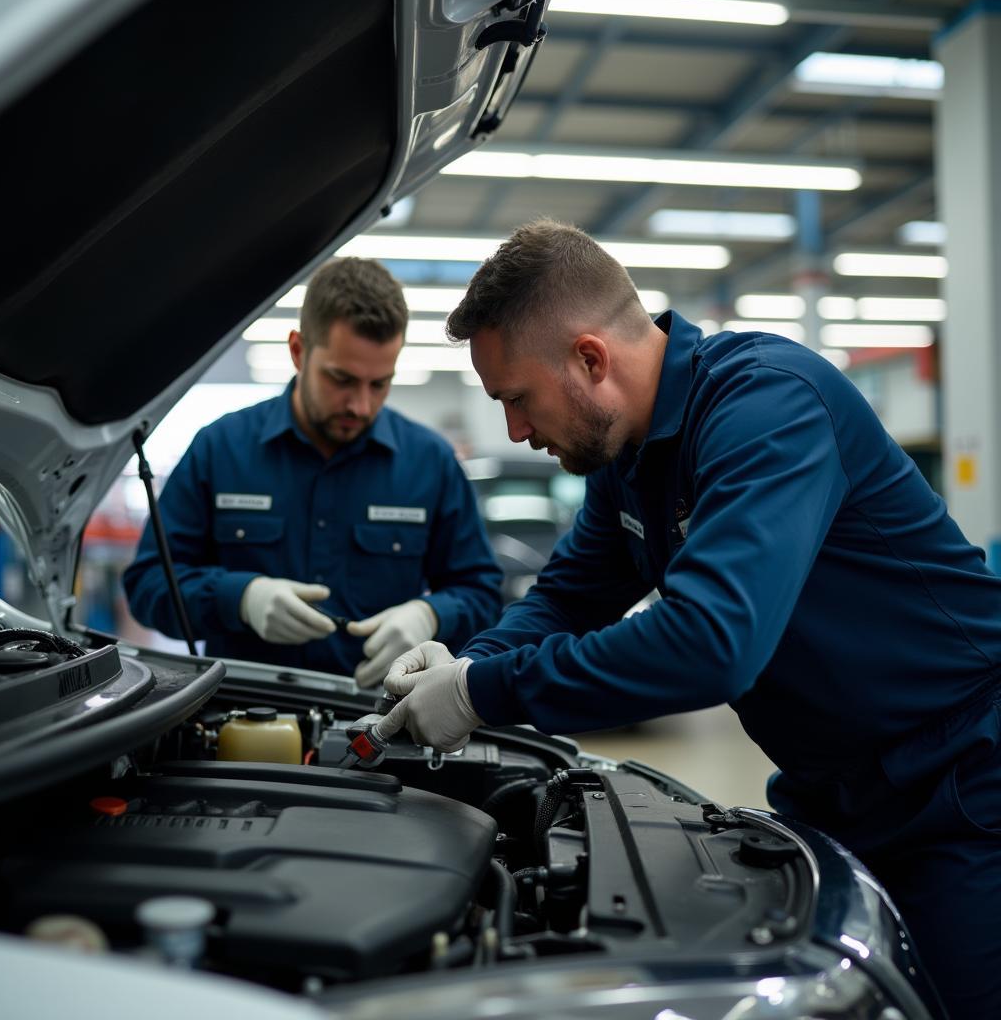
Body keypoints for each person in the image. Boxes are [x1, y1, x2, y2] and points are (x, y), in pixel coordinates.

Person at [377, 220, 1001, 1020]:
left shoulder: (768, 406)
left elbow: (714, 644)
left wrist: (481, 694)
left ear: (591, 359)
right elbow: (566, 597)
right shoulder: (629, 459)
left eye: (518, 400)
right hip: (834, 794)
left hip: (962, 786)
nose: (517, 432)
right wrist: (457, 663)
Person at [123, 257, 502, 687]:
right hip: (241, 718)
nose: (360, 405)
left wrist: (429, 616)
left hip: (377, 717)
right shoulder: (220, 449)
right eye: (341, 379)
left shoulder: (429, 462)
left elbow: (482, 594)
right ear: (298, 352)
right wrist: (240, 598)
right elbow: (148, 586)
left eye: (379, 383)